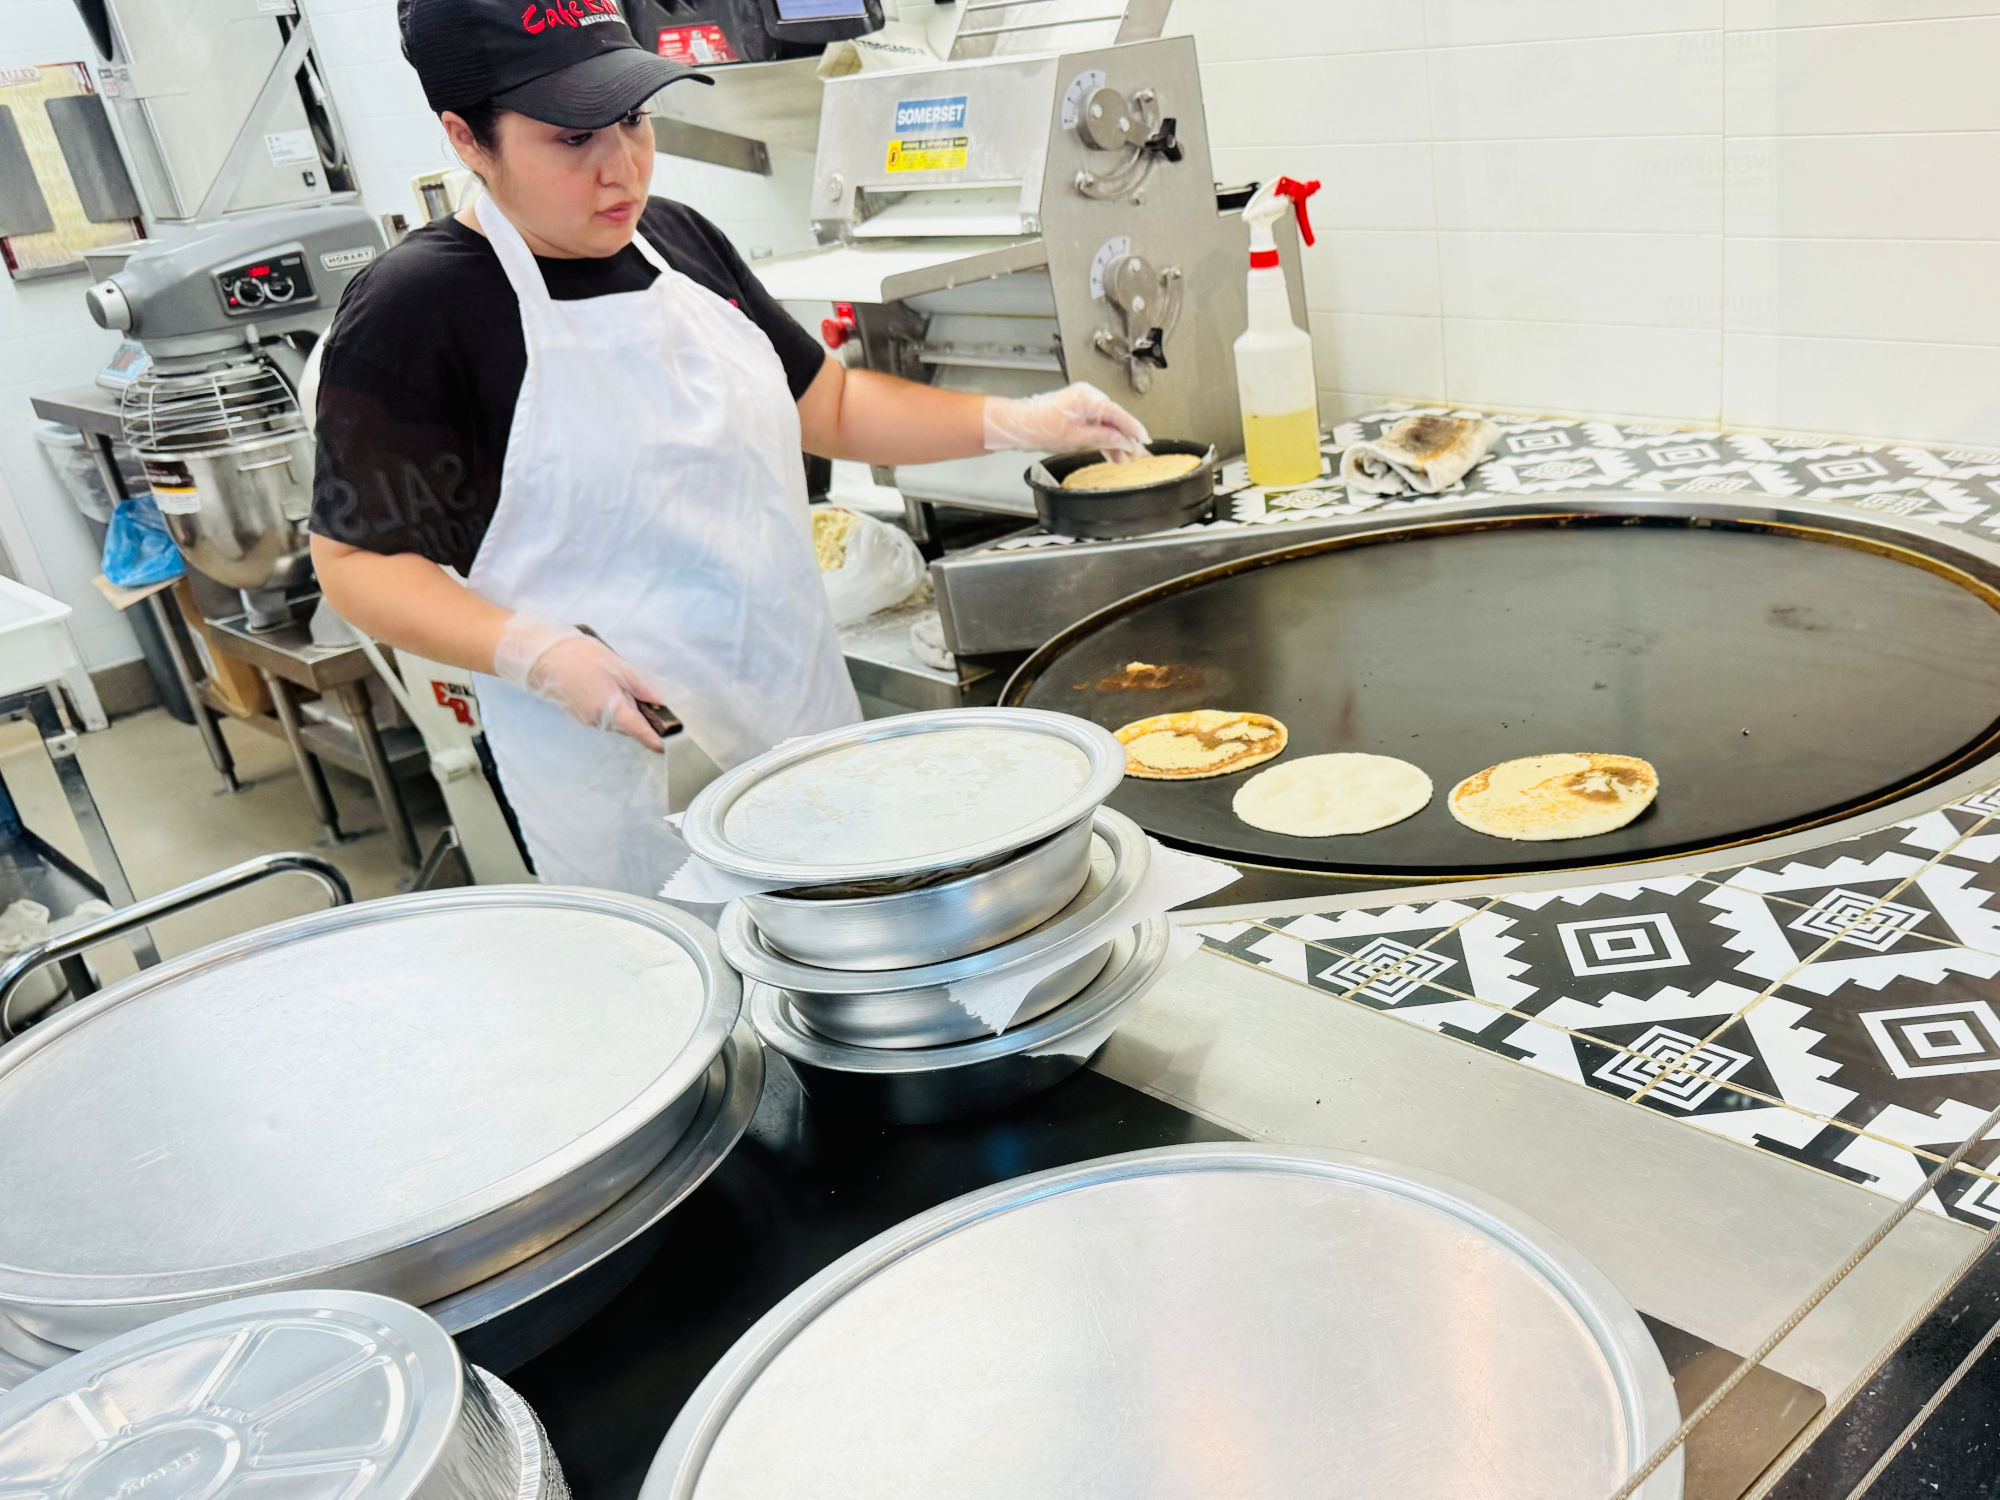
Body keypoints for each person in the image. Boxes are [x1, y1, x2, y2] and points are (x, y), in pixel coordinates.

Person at [308, 0, 1149, 897]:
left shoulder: (675, 239)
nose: (618, 167)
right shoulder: (417, 310)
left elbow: (828, 403)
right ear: (467, 138)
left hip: (802, 719)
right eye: (571, 138)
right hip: (630, 781)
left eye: (632, 120)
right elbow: (355, 560)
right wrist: (535, 654)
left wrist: (1017, 420)